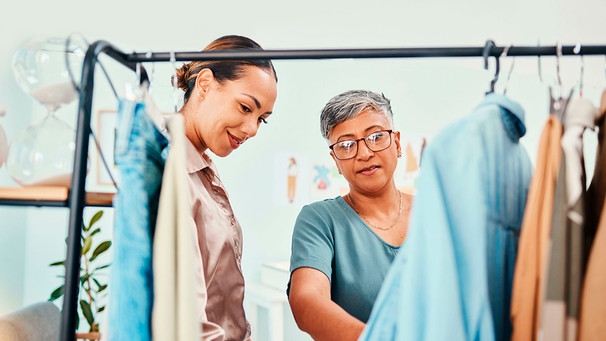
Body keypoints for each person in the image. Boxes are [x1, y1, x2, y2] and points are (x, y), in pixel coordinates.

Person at [174, 35, 278, 340]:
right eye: (246, 107)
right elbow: (186, 321)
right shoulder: (172, 171)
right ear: (205, 84)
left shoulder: (204, 168)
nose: (252, 129)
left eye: (262, 119)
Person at [287, 89, 413, 341]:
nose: (364, 153)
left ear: (397, 143)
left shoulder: (434, 214)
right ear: (335, 161)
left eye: (376, 137)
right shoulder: (320, 220)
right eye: (346, 144)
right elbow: (306, 300)